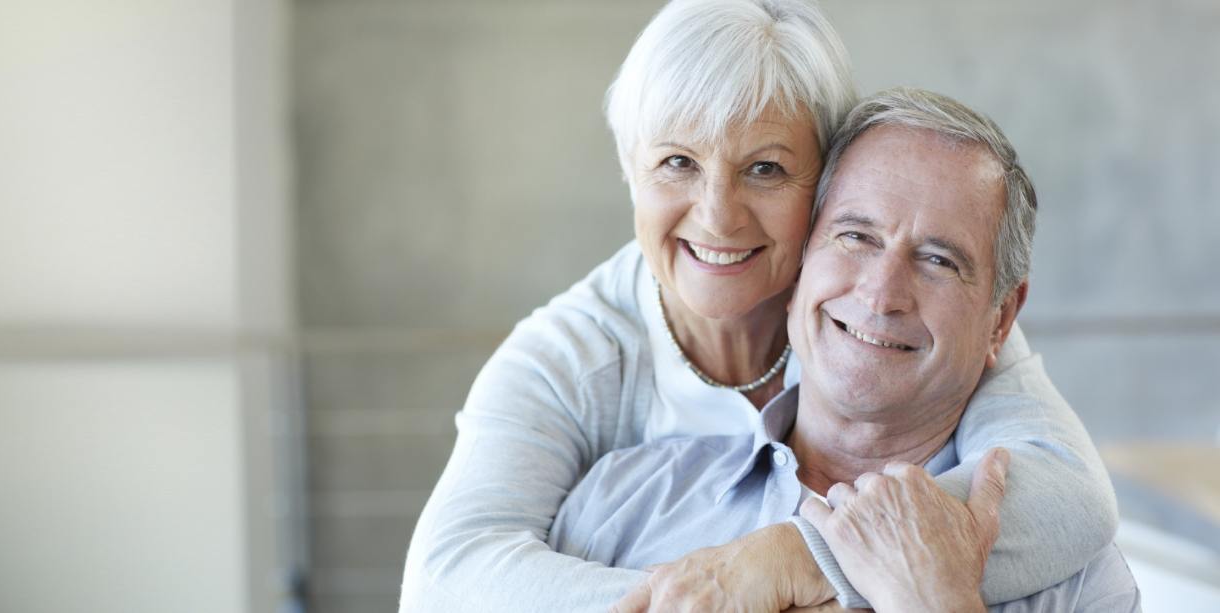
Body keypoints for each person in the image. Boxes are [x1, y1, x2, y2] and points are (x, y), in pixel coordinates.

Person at [400, 1, 1117, 610]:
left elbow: (1070, 494)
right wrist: (718, 590)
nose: (716, 217)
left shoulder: (905, 314)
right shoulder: (578, 367)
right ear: (631, 173)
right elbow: (447, 577)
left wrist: (792, 559)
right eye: (677, 161)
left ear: (829, 182)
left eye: (766, 168)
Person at [550, 87, 1141, 613]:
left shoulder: (1074, 578)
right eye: (856, 236)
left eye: (939, 260)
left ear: (1001, 320)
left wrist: (936, 600)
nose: (882, 295)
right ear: (799, 267)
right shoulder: (620, 502)